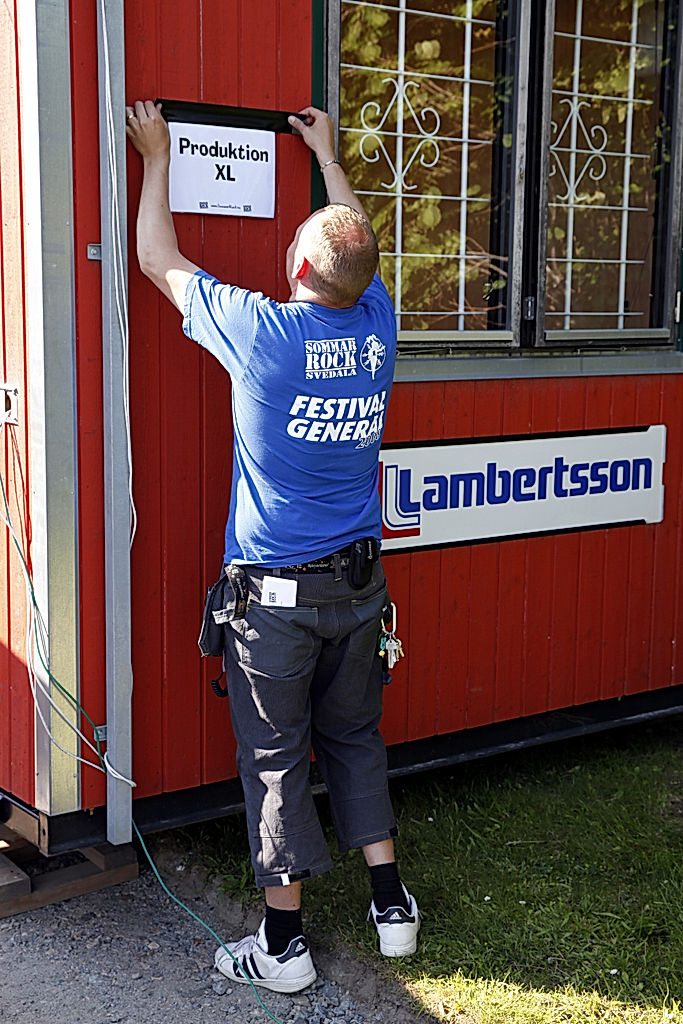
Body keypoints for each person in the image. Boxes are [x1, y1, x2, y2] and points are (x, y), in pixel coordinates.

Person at [125, 99, 420, 994]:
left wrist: (156, 157)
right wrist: (328, 159)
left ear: (293, 264)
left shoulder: (264, 334)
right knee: (356, 738)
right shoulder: (377, 330)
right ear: (362, 277)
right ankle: (390, 905)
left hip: (278, 607)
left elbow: (155, 260)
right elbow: (352, 250)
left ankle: (283, 948)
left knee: (276, 760)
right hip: (359, 591)